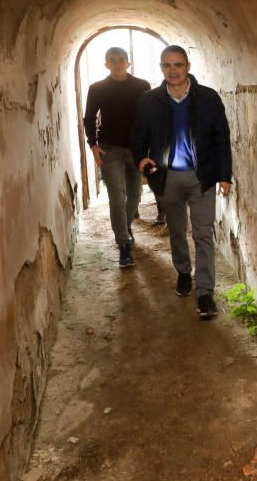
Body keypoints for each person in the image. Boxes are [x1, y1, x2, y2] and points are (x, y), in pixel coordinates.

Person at [131, 45, 232, 319]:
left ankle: (205, 292)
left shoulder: (208, 98)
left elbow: (222, 138)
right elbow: (138, 134)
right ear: (161, 68)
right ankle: (184, 273)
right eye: (167, 65)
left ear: (187, 66)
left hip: (203, 176)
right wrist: (140, 157)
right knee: (177, 231)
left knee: (203, 233)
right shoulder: (150, 100)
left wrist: (225, 175)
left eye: (178, 64)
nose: (173, 70)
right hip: (167, 177)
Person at [83, 47, 151, 268]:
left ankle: (126, 226)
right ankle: (123, 245)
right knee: (116, 197)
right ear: (106, 64)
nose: (118, 63)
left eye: (121, 59)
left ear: (128, 63)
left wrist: (149, 146)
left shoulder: (142, 86)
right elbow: (89, 117)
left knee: (135, 195)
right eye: (113, 60)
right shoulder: (97, 88)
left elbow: (149, 117)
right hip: (109, 149)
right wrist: (93, 144)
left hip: (137, 150)